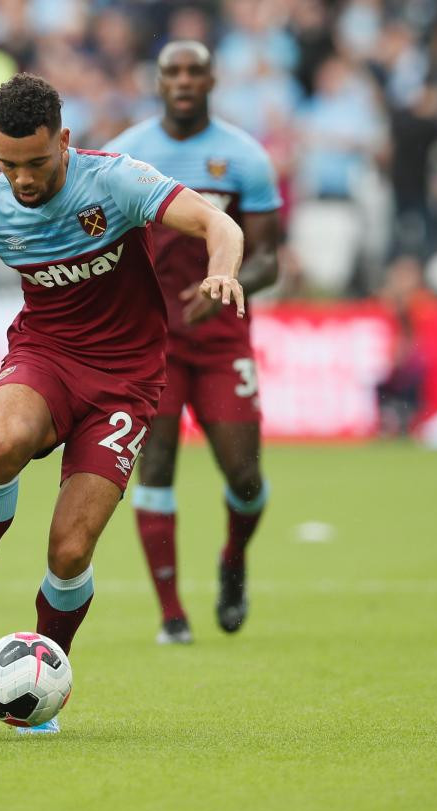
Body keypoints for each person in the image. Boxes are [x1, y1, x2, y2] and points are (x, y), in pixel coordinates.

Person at [0, 73, 245, 731]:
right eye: (7, 163)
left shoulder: (116, 182)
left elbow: (217, 222)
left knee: (70, 550)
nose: (21, 178)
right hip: (45, 354)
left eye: (36, 162)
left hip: (128, 381)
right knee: (3, 441)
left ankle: (44, 672)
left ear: (65, 142)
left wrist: (222, 268)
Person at [104, 41, 281, 645]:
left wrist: (226, 279)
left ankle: (233, 561)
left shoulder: (245, 157)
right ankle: (171, 615)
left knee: (245, 477)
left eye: (193, 71)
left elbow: (270, 261)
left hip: (221, 336)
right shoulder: (128, 153)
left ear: (211, 79)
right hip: (150, 343)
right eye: (171, 72)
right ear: (158, 82)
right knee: (154, 466)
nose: (183, 81)